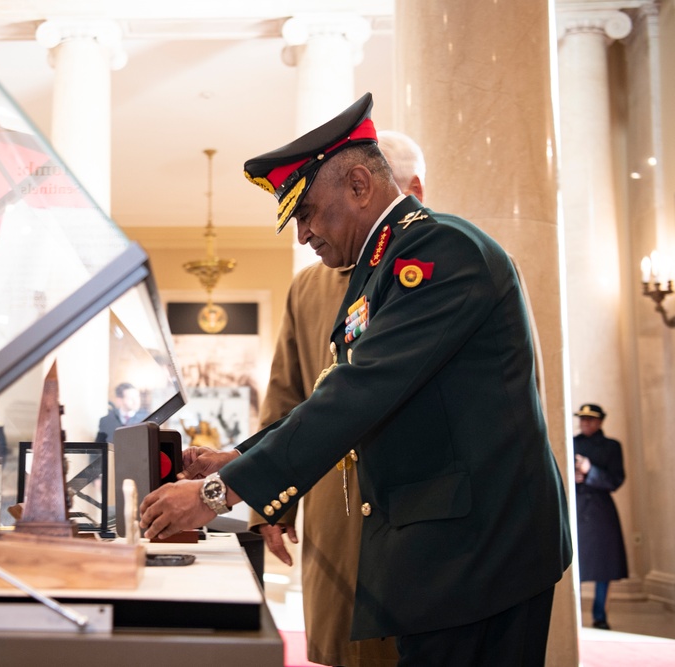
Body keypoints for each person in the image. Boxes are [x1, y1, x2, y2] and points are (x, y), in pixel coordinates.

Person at [140, 92, 572, 665]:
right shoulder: (378, 269)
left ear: (361, 186)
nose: (302, 234)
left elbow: (358, 395)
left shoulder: (440, 253)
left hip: (479, 552)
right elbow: (330, 391)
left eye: (307, 212)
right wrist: (237, 457)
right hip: (446, 550)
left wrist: (216, 495)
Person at [251, 129, 425, 667]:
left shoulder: (430, 270)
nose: (305, 235)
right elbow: (286, 397)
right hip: (331, 508)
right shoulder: (308, 288)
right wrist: (269, 503)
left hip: (407, 515)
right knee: (342, 650)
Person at [573, 403, 628, 630]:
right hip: (574, 508)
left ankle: (600, 615)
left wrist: (589, 471)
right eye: (583, 419)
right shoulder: (572, 442)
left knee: (604, 567)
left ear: (600, 422)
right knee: (571, 564)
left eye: (590, 420)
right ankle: (572, 615)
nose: (585, 423)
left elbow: (615, 480)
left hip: (599, 512)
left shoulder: (611, 446)